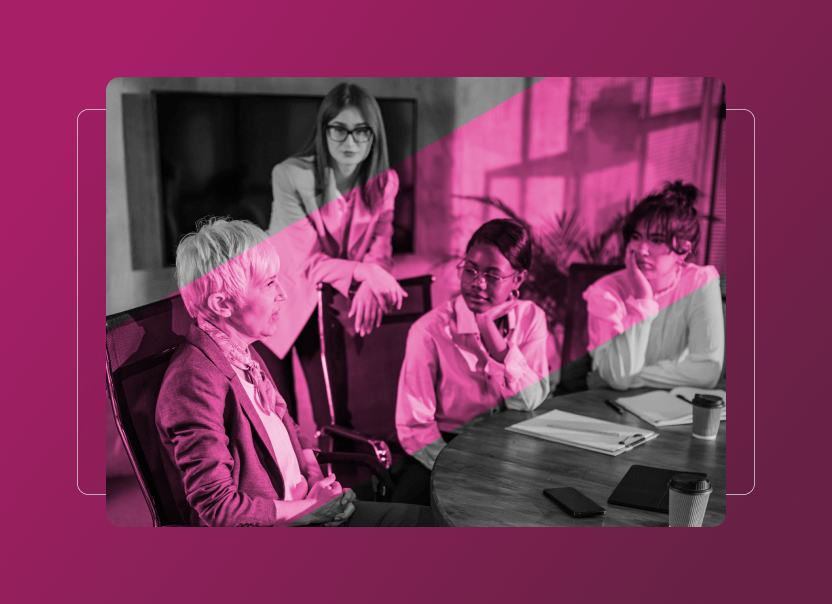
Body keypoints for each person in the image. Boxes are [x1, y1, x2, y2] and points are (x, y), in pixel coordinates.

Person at [156, 218, 433, 527]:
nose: (283, 294)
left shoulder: (241, 351)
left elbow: (288, 424)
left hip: (307, 509)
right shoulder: (193, 382)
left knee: (429, 518)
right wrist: (311, 511)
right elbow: (219, 509)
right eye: (268, 283)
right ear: (222, 304)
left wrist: (318, 487)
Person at [259, 82, 404, 427]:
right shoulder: (290, 175)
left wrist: (371, 279)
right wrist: (363, 273)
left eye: (360, 131)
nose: (349, 142)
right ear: (324, 131)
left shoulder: (385, 183)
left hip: (331, 301)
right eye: (339, 129)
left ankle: (340, 479)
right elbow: (302, 260)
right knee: (280, 414)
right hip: (280, 298)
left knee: (336, 412)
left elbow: (380, 252)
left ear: (374, 136)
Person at [394, 219, 551, 505]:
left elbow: (529, 401)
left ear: (517, 279)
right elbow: (415, 426)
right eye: (470, 270)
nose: (477, 283)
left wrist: (499, 347)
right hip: (443, 447)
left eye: (492, 275)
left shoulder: (531, 319)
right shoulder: (428, 331)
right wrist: (455, 468)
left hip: (509, 445)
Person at [584, 181, 725, 391]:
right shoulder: (605, 291)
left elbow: (707, 371)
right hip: (609, 405)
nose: (641, 249)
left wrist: (635, 378)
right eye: (636, 237)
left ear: (684, 250)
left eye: (656, 240)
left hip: (669, 406)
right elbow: (618, 378)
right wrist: (643, 301)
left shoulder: (700, 281)